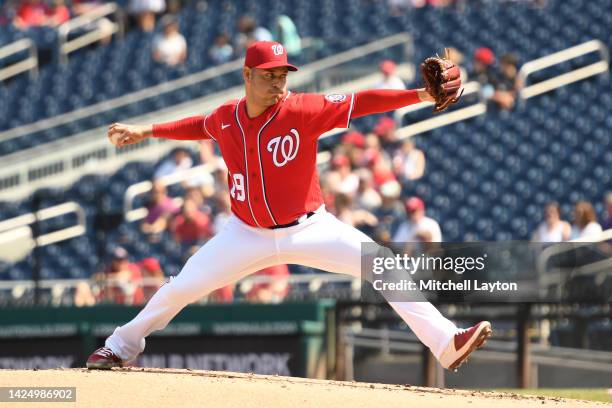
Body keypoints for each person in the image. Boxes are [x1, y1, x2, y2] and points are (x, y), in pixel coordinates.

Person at [88, 41, 491, 371]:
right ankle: (119, 346)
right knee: (180, 289)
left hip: (309, 228)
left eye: (282, 74)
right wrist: (147, 130)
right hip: (244, 233)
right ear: (247, 75)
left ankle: (445, 342)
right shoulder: (226, 117)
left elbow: (363, 101)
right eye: (269, 75)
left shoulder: (303, 109)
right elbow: (200, 125)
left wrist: (419, 94)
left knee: (381, 262)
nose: (278, 82)